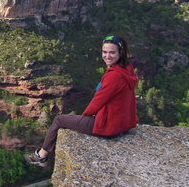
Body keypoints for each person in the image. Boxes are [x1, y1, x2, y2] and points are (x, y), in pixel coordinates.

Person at [24, 35, 139, 167]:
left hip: (109, 127)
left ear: (121, 52)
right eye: (105, 52)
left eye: (112, 52)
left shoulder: (114, 75)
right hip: (123, 124)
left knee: (59, 120)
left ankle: (41, 155)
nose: (107, 56)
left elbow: (98, 101)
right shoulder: (127, 69)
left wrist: (84, 117)